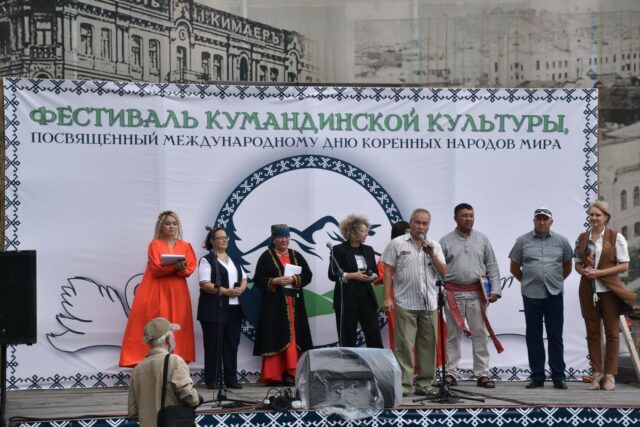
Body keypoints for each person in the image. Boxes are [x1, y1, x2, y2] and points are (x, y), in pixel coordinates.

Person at [381, 208, 446, 396]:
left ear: (428, 226)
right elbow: (388, 272)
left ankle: (424, 385)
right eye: (418, 222)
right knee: (403, 346)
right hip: (405, 303)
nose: (421, 227)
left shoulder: (434, 246)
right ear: (411, 223)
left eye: (425, 223)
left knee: (428, 346)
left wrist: (432, 254)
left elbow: (444, 273)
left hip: (429, 304)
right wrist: (387, 298)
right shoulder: (396, 243)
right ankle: (404, 386)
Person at [120, 211, 197, 367]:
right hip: (157, 288)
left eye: (174, 223)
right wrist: (175, 267)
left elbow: (189, 269)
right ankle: (152, 360)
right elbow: (156, 269)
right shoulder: (155, 244)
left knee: (178, 322)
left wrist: (178, 268)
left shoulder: (186, 245)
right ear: (161, 226)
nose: (172, 226)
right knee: (158, 321)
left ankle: (176, 359)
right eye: (168, 223)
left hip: (178, 290)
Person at [440, 203, 503, 388]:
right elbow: (436, 268)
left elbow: (492, 266)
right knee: (453, 335)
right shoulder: (445, 241)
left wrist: (495, 290)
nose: (468, 219)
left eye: (471, 215)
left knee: (480, 334)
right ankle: (450, 373)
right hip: (453, 294)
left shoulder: (482, 239)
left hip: (477, 294)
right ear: (455, 218)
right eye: (464, 215)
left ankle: (482, 374)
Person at [509, 207, 573, 389]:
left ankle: (558, 376)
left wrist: (556, 281)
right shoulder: (522, 241)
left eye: (545, 219)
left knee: (555, 335)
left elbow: (567, 266)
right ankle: (537, 376)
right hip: (531, 294)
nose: (542, 222)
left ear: (551, 221)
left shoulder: (562, 241)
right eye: (539, 219)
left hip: (554, 294)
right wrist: (528, 282)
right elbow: (514, 268)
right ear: (534, 221)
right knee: (533, 335)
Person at [574, 200, 634, 391]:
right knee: (592, 333)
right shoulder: (582, 238)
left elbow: (624, 265)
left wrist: (600, 273)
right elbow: (577, 263)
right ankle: (596, 373)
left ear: (606, 217)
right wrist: (583, 271)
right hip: (588, 290)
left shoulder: (616, 237)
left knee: (612, 333)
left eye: (598, 215)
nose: (594, 218)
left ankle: (610, 375)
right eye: (591, 214)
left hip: (609, 291)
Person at [252, 224, 313, 386]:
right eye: (280, 237)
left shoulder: (296, 255)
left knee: (295, 335)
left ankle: (292, 373)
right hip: (274, 306)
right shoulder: (266, 256)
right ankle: (275, 375)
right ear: (274, 239)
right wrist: (275, 281)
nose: (284, 240)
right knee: (275, 334)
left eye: (286, 237)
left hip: (294, 305)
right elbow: (258, 279)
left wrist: (294, 279)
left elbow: (308, 275)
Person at [197, 227, 247, 389]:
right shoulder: (207, 260)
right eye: (220, 238)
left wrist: (241, 289)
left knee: (231, 344)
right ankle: (212, 380)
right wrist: (226, 291)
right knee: (213, 345)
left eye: (226, 237)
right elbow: (205, 284)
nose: (224, 240)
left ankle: (231, 379)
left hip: (234, 308)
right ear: (212, 241)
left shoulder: (234, 259)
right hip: (213, 309)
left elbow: (244, 278)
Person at [128, 317, 202, 427]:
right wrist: (197, 398)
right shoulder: (175, 361)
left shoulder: (138, 369)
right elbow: (190, 397)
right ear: (168, 339)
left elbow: (133, 412)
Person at [328, 214, 382, 348]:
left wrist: (373, 277)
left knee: (374, 335)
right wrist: (353, 275)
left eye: (366, 231)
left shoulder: (368, 250)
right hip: (347, 301)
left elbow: (375, 272)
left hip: (367, 300)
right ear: (353, 232)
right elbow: (333, 275)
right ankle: (348, 361)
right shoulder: (338, 250)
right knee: (347, 338)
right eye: (363, 231)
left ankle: (376, 361)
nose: (366, 234)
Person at [376, 220, 410, 350]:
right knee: (400, 334)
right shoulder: (389, 251)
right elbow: (381, 275)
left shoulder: (417, 248)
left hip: (417, 297)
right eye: (408, 232)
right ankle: (401, 361)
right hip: (397, 298)